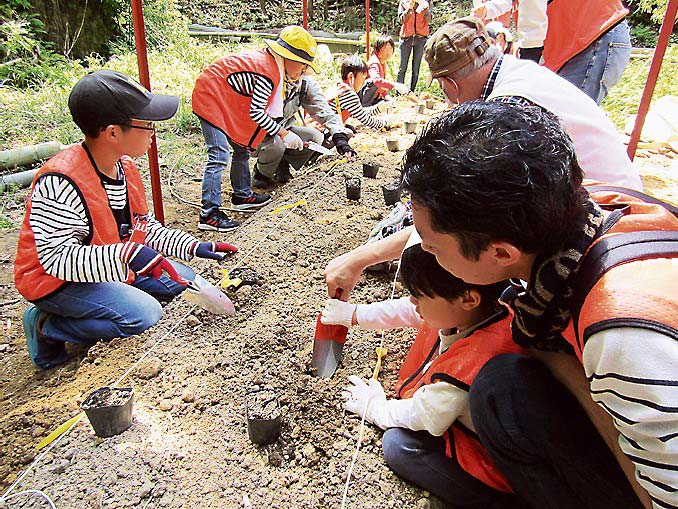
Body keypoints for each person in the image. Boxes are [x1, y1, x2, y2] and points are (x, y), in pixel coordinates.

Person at [326, 101, 677, 507]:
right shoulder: (577, 206)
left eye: (434, 248)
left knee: (500, 390)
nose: (425, 251)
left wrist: (557, 361)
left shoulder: (624, 337)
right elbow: (429, 238)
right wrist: (361, 258)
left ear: (500, 254)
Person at [14, 70, 238, 370]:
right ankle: (47, 326)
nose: (153, 132)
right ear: (112, 132)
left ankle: (110, 299)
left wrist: (195, 246)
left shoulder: (125, 167)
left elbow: (143, 228)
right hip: (57, 281)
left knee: (181, 281)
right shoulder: (60, 180)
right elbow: (56, 259)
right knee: (145, 315)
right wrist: (128, 255)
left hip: (108, 267)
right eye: (146, 125)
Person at [322, 240, 525, 507]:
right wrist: (356, 314)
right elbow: (411, 311)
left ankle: (491, 501)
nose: (412, 302)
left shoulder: (470, 366)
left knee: (398, 445)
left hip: (494, 463)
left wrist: (374, 408)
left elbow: (422, 415)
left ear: (467, 298)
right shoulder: (481, 307)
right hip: (486, 423)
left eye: (419, 295)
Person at [423, 16, 642, 190]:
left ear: (450, 85)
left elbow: (487, 187)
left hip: (607, 211)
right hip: (622, 199)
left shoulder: (509, 105)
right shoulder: (521, 73)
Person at [192, 26, 319, 229]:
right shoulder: (267, 72)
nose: (302, 71)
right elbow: (257, 113)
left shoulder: (270, 64)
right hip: (211, 96)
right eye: (303, 65)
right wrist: (284, 133)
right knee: (219, 154)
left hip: (228, 97)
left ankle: (242, 195)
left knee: (241, 147)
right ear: (291, 58)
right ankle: (209, 214)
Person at [472, 0, 631, 104]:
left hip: (595, 38)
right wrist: (489, 9)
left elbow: (532, 15)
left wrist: (529, 59)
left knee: (567, 127)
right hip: (574, 48)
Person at [250, 59, 357, 188]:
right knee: (276, 144)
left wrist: (340, 137)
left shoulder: (304, 84)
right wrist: (281, 133)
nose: (301, 71)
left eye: (304, 68)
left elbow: (323, 111)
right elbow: (255, 114)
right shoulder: (269, 79)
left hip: (285, 129)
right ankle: (261, 175)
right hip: (257, 133)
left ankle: (281, 164)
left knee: (315, 137)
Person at [315, 55, 389, 133]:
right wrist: (384, 123)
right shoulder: (348, 93)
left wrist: (378, 109)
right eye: (362, 78)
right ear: (351, 77)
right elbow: (366, 119)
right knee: (348, 133)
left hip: (317, 128)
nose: (363, 82)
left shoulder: (338, 87)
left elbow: (357, 111)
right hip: (321, 131)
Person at [359, 35, 411, 107]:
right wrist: (395, 85)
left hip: (375, 97)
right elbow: (376, 81)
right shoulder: (374, 63)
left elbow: (381, 87)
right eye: (385, 49)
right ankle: (365, 107)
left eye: (390, 48)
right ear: (378, 50)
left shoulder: (382, 63)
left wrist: (387, 97)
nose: (388, 52)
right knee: (372, 82)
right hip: (363, 97)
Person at [396, 0, 433, 92]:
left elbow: (429, 19)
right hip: (406, 38)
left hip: (420, 39)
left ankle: (411, 92)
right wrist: (409, 8)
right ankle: (399, 93)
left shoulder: (427, 2)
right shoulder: (404, 2)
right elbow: (401, 20)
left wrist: (426, 9)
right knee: (402, 68)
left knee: (416, 69)